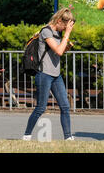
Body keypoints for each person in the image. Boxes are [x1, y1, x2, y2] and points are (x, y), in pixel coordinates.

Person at [22, 8, 75, 141]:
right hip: (44, 74)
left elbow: (59, 51)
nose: (65, 29)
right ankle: (27, 135)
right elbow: (58, 51)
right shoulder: (46, 31)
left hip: (56, 75)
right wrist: (67, 35)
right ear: (58, 21)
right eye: (65, 25)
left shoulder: (57, 33)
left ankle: (68, 137)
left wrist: (67, 46)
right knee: (41, 107)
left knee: (65, 106)